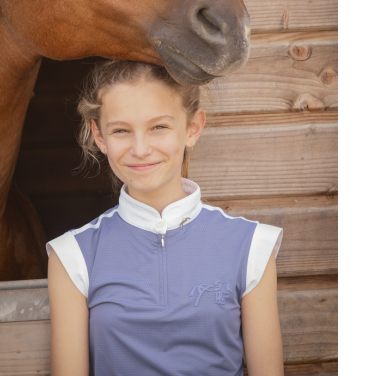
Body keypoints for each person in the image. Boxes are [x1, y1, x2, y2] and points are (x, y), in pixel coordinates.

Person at [46, 60, 284, 376]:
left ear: (192, 128)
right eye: (121, 130)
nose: (140, 149)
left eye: (159, 127)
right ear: (99, 136)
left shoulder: (252, 245)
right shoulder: (72, 255)